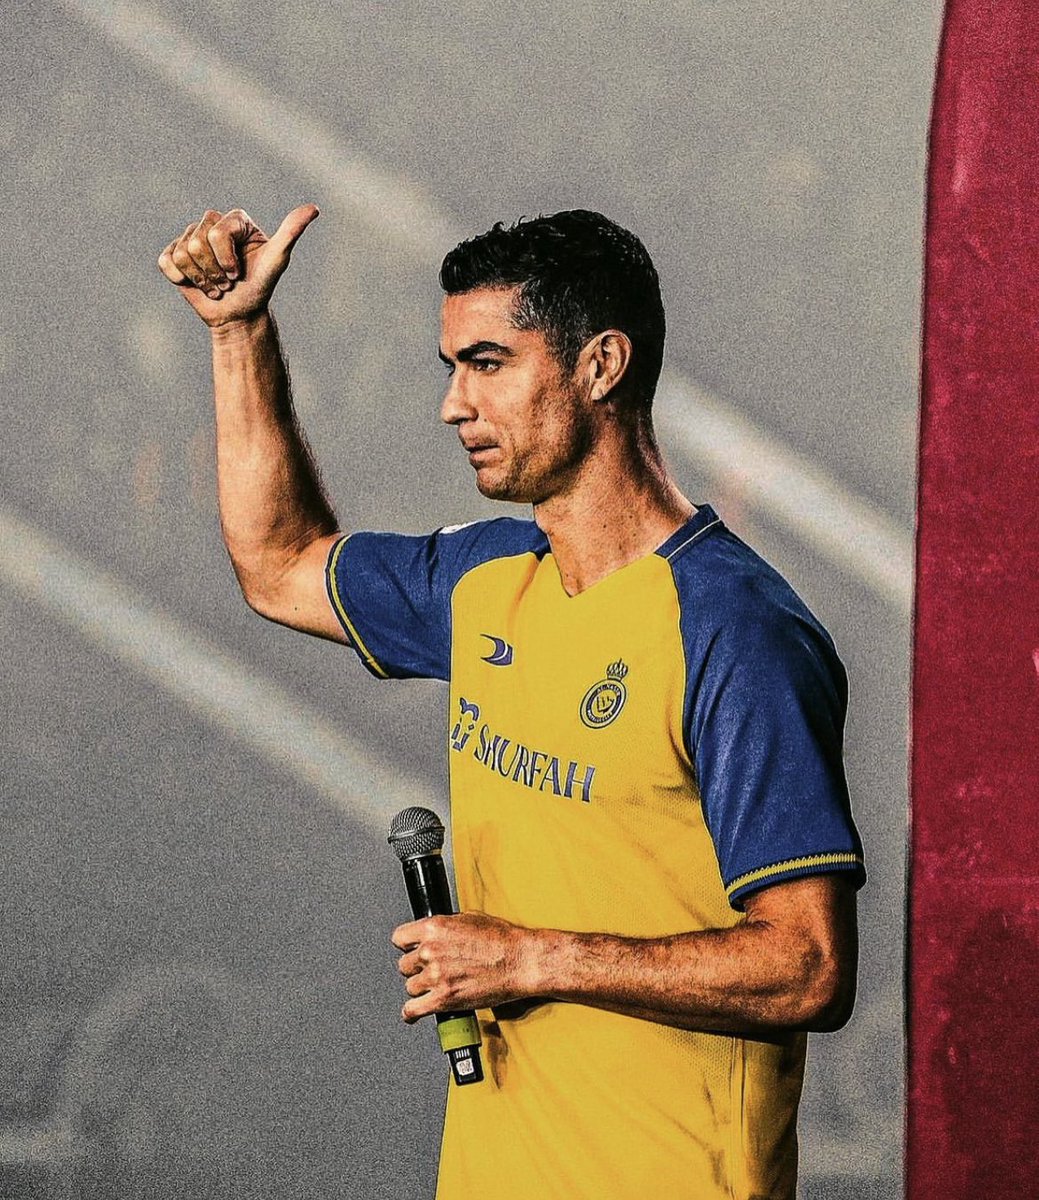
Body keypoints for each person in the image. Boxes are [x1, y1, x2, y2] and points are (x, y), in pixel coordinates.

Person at [158, 204, 865, 1200]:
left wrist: (531, 960)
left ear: (600, 365)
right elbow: (280, 565)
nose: (454, 404)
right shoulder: (488, 577)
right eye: (452, 368)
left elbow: (806, 967)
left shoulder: (734, 629)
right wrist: (238, 333)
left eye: (487, 364)